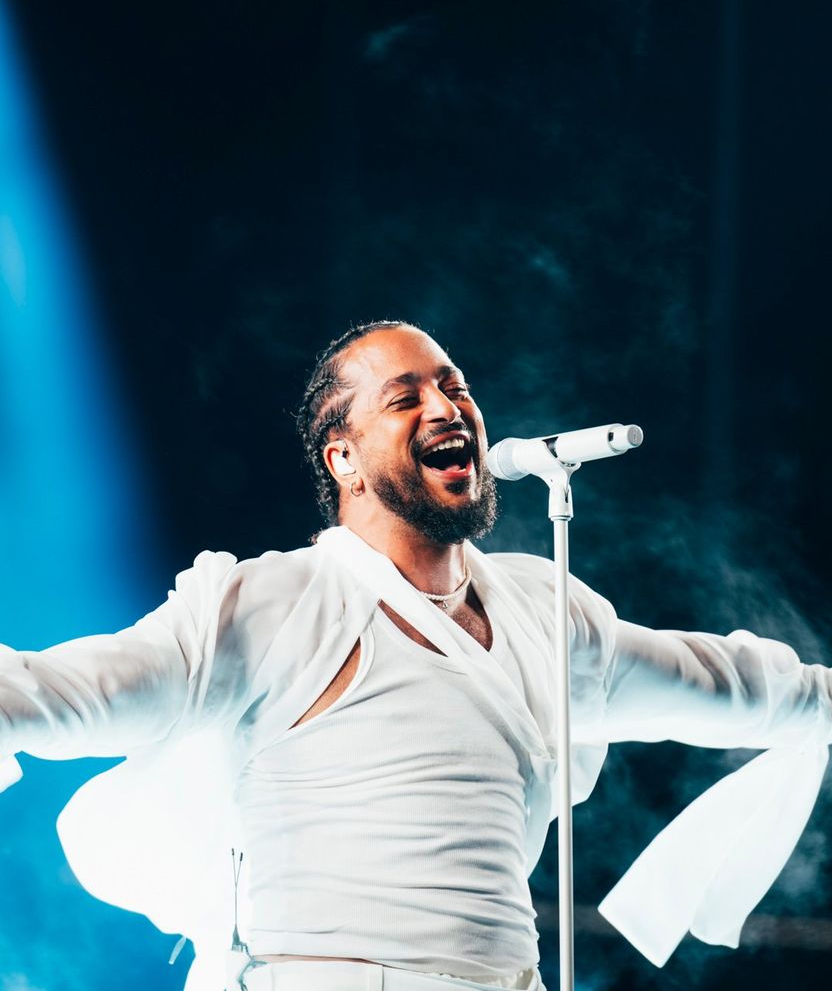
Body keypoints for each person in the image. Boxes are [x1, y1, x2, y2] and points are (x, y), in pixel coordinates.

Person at [0, 319, 830, 991]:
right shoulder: (271, 602)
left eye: (455, 387)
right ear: (344, 458)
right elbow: (62, 692)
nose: (447, 407)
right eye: (405, 398)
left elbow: (731, 683)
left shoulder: (544, 607)